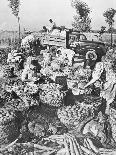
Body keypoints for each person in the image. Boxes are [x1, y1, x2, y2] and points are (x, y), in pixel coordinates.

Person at [84, 49, 116, 115]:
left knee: (109, 101)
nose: (108, 63)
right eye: (106, 62)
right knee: (101, 101)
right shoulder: (100, 65)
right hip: (103, 86)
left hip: (112, 87)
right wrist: (86, 85)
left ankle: (107, 111)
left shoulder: (113, 70)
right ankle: (100, 112)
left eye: (110, 62)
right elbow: (95, 77)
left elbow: (112, 81)